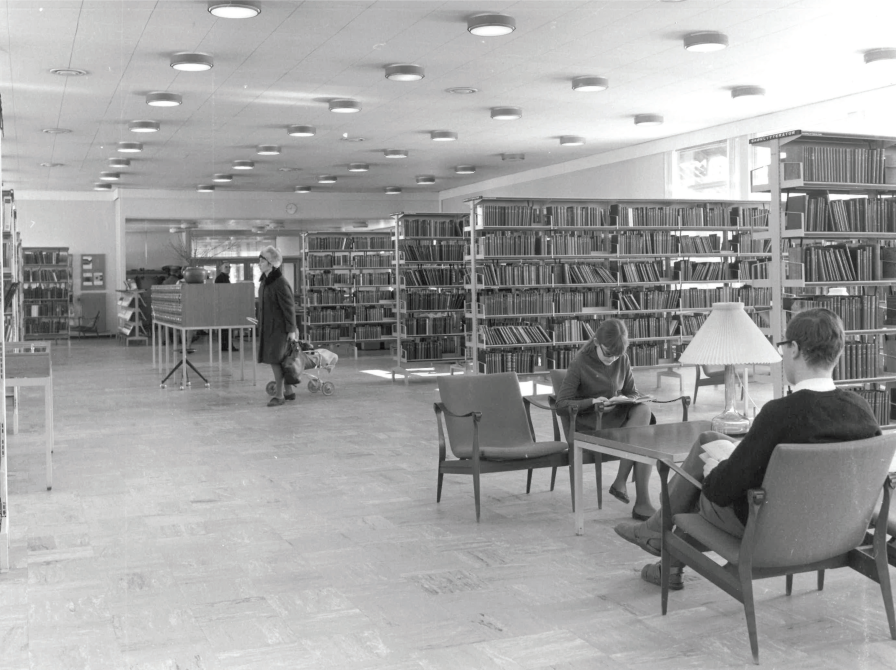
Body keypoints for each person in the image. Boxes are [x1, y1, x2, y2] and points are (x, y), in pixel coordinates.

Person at [614, 308, 881, 590]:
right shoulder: (862, 411)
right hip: (835, 530)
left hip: (769, 534)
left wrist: (714, 469)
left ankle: (657, 538)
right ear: (838, 353)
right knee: (711, 441)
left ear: (794, 349)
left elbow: (721, 491)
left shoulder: (780, 414)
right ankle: (661, 549)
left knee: (700, 486)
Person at [555, 319, 656, 520]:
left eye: (617, 355)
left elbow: (631, 391)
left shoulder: (622, 359)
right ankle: (640, 501)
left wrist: (629, 399)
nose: (612, 359)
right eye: (608, 354)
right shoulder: (580, 363)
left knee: (643, 410)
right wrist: (592, 402)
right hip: (591, 423)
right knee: (642, 436)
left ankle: (622, 482)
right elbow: (561, 404)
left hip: (617, 419)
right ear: (596, 342)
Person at [257, 246, 298, 407]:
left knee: (277, 361)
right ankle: (289, 392)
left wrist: (291, 330)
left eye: (262, 261)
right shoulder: (266, 281)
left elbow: (289, 309)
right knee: (279, 361)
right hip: (269, 328)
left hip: (279, 330)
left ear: (272, 263)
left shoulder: (279, 283)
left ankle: (280, 395)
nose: (259, 264)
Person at [214, 262, 238, 352]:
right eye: (226, 267)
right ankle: (226, 345)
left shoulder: (225, 278)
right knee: (226, 328)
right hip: (223, 306)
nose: (228, 268)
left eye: (229, 267)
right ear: (221, 268)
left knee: (227, 328)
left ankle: (226, 345)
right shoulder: (220, 278)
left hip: (225, 305)